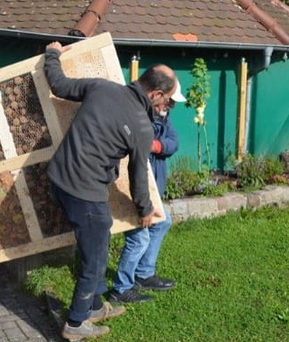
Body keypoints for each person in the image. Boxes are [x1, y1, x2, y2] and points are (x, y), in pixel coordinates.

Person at [44, 41, 179, 341]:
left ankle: (93, 306)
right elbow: (138, 176)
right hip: (85, 192)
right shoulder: (143, 128)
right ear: (156, 93)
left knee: (97, 240)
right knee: (95, 260)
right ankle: (76, 324)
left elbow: (59, 84)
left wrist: (52, 54)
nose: (165, 106)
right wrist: (144, 210)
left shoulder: (103, 88)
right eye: (166, 99)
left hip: (58, 178)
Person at [109, 83, 185, 303]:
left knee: (162, 222)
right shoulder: (139, 116)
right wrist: (146, 145)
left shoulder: (163, 117)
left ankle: (143, 274)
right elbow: (135, 163)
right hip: (132, 187)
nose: (170, 105)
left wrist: (156, 146)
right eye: (169, 100)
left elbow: (174, 143)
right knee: (138, 237)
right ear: (158, 95)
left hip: (151, 189)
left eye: (173, 102)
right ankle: (121, 289)